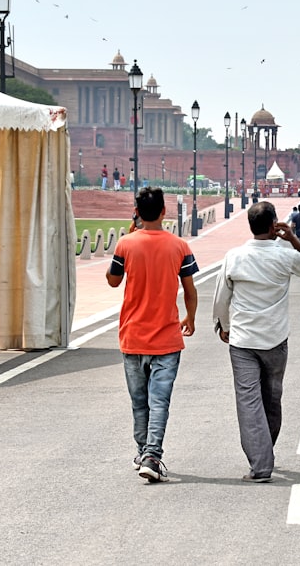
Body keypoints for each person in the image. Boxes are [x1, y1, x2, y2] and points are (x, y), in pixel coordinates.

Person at [212, 201, 300, 482]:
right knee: (271, 399)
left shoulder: (234, 256)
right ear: (274, 225)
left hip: (243, 340)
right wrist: (293, 239)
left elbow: (221, 297)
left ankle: (261, 462)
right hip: (274, 339)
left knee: (249, 401)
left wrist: (223, 325)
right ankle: (265, 451)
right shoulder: (285, 255)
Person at [106, 187, 199, 483]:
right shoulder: (179, 246)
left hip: (133, 335)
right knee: (159, 400)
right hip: (167, 337)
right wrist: (191, 317)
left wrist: (130, 235)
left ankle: (144, 452)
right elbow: (189, 289)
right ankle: (151, 455)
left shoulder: (125, 244)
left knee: (139, 401)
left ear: (138, 212)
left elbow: (112, 281)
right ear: (163, 212)